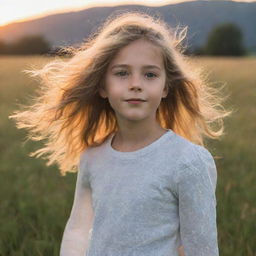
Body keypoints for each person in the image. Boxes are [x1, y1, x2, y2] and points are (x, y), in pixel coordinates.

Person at [9, 11, 232, 256]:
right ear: (103, 87)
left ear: (165, 87)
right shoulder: (92, 157)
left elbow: (202, 249)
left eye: (150, 74)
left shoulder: (189, 162)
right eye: (122, 73)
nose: (135, 84)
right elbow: (78, 229)